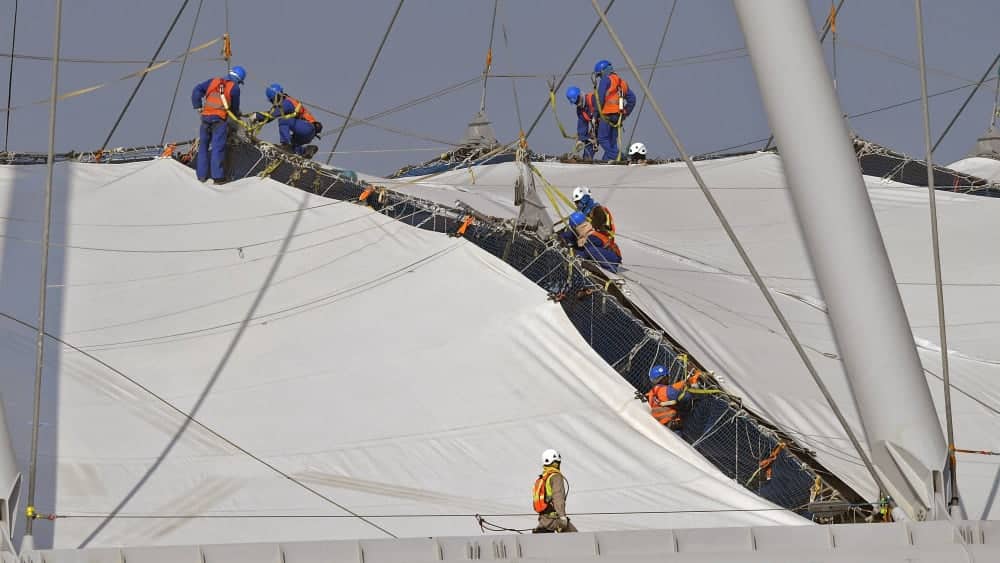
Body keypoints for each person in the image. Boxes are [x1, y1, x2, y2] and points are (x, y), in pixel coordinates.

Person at [191, 65, 246, 184]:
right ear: (239, 79)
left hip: (205, 119)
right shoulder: (234, 87)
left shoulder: (213, 81)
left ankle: (201, 176)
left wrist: (198, 106)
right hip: (219, 121)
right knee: (217, 148)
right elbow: (234, 108)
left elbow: (196, 90)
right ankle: (218, 178)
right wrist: (236, 116)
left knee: (203, 147)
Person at [251, 83, 323, 158]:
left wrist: (257, 116)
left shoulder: (287, 103)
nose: (273, 103)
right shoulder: (287, 102)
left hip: (307, 128)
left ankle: (286, 145)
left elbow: (272, 115)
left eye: (272, 100)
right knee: (292, 145)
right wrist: (259, 121)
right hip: (308, 134)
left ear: (276, 97)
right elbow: (269, 118)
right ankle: (305, 151)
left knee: (283, 120)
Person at [592, 60, 636, 161]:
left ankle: (620, 157)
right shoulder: (622, 82)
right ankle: (607, 160)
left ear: (603, 71)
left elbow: (600, 99)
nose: (600, 77)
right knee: (612, 141)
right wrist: (625, 113)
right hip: (618, 116)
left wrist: (595, 115)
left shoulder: (605, 80)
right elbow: (632, 99)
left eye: (599, 75)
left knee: (602, 138)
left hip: (607, 115)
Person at [532, 449, 577, 533]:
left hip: (543, 520)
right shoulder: (556, 477)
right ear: (556, 463)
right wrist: (562, 517)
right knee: (576, 537)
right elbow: (558, 498)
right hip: (554, 520)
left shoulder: (543, 477)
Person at [646, 365, 702, 431]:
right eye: (667, 376)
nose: (669, 377)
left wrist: (689, 380)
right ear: (664, 378)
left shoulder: (653, 391)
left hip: (659, 423)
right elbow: (685, 397)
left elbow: (675, 387)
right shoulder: (667, 391)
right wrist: (693, 388)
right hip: (669, 426)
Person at [565, 86, 597, 160]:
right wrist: (581, 139)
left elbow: (602, 108)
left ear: (580, 95)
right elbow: (582, 124)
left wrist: (595, 117)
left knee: (605, 140)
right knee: (589, 143)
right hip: (596, 127)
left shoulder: (592, 99)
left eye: (577, 100)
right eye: (575, 102)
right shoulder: (580, 110)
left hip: (606, 123)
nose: (577, 103)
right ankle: (587, 159)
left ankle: (616, 159)